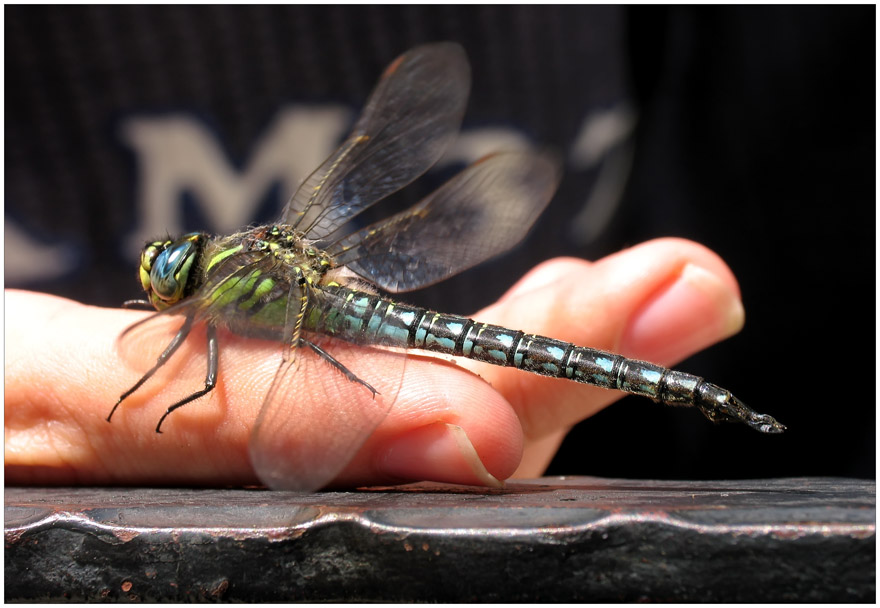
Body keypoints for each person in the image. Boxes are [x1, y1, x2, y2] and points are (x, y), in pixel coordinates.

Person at [5, 238, 743, 489]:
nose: (160, 293)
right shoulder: (229, 282)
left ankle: (683, 388)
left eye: (166, 280)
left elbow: (193, 371)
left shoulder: (205, 305)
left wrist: (151, 398)